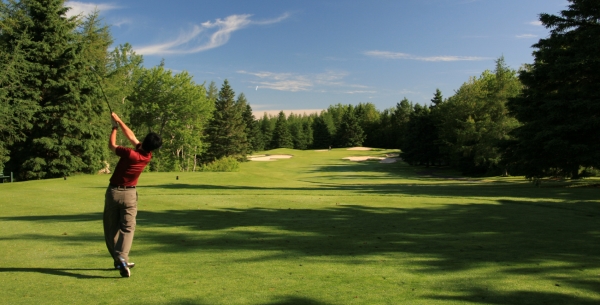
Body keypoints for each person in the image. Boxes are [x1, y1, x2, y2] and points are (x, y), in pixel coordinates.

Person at [104, 112, 162, 277]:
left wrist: (114, 128)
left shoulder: (129, 153)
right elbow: (132, 137)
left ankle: (120, 259)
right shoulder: (146, 156)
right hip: (130, 194)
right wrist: (120, 120)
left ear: (144, 142)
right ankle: (122, 258)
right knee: (128, 228)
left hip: (114, 192)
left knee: (111, 229)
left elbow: (111, 145)